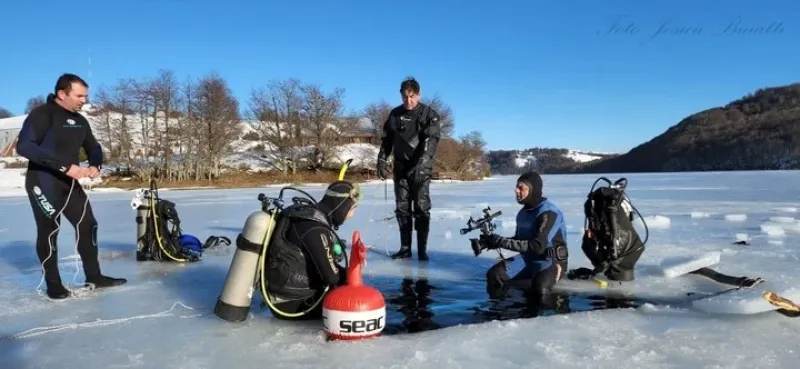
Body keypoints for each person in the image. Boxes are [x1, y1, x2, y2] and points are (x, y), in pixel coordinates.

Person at [16, 73, 126, 300]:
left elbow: (94, 147)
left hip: (69, 184)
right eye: (79, 95)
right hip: (43, 183)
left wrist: (95, 164)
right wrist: (65, 167)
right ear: (62, 94)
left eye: (85, 96)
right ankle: (53, 284)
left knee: (88, 225)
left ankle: (94, 276)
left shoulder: (80, 120)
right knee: (49, 232)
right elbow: (25, 146)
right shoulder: (43, 114)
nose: (83, 100)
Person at [263, 180, 361, 320]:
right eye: (351, 209)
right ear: (341, 206)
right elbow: (332, 277)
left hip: (281, 296)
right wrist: (352, 278)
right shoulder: (315, 229)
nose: (351, 215)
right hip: (295, 305)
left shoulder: (306, 216)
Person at [376, 77, 442, 261]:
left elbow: (431, 141)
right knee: (402, 208)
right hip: (401, 168)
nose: (408, 101)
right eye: (404, 97)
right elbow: (387, 141)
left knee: (421, 209)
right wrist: (382, 160)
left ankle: (422, 250)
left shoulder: (429, 114)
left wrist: (421, 163)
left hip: (420, 169)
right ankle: (405, 248)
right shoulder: (395, 115)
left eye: (411, 96)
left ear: (418, 95)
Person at [479, 171, 569, 299]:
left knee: (540, 290)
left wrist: (501, 241)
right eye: (516, 187)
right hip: (527, 259)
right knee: (494, 275)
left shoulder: (549, 212)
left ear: (533, 190)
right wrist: (493, 242)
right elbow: (520, 241)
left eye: (521, 188)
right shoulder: (523, 213)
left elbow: (538, 246)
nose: (516, 191)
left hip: (550, 261)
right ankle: (500, 313)